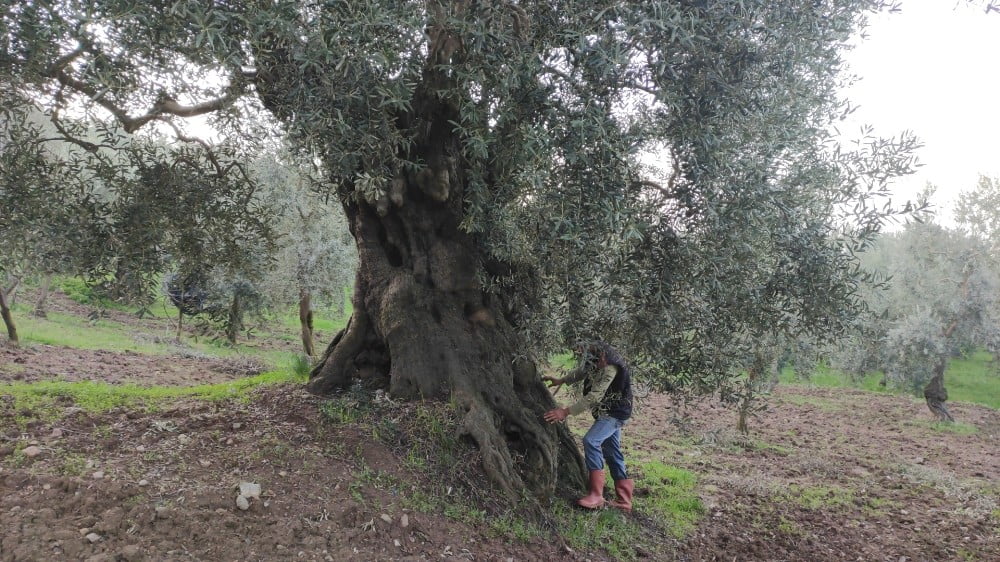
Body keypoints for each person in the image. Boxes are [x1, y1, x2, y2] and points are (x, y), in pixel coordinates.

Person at [543, 340, 634, 512]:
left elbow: (594, 396)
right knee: (612, 452)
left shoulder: (609, 366)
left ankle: (596, 495)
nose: (582, 356)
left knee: (591, 441)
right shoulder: (596, 359)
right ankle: (624, 501)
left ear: (600, 354)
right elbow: (581, 372)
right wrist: (560, 380)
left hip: (614, 414)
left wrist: (565, 412)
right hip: (607, 413)